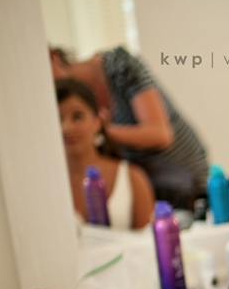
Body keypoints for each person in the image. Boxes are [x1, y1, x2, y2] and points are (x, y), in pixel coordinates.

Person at [50, 46, 209, 212]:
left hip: (182, 178)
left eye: (77, 117)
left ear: (53, 56)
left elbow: (161, 135)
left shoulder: (119, 65)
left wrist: (102, 130)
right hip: (146, 182)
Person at [56, 77, 155, 230]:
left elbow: (147, 240)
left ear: (97, 121)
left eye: (77, 117)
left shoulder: (132, 178)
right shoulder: (46, 184)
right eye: (58, 119)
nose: (67, 128)